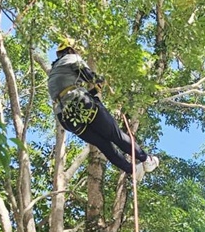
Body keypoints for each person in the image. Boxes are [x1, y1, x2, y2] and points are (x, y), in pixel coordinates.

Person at [48, 43, 159, 179]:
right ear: (70, 50)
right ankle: (146, 160)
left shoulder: (54, 72)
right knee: (115, 135)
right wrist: (103, 79)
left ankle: (132, 171)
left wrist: (95, 90)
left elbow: (66, 94)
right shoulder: (71, 58)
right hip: (81, 104)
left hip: (66, 117)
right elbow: (90, 77)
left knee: (103, 144)